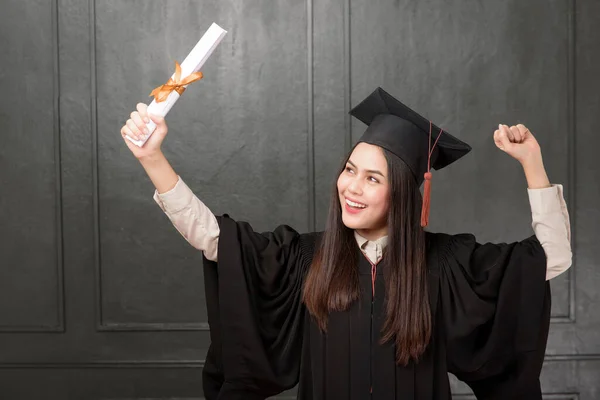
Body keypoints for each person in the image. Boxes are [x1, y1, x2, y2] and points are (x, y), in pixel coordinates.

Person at [120, 87, 572, 399]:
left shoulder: (445, 265)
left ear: (402, 193)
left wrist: (532, 162)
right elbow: (214, 238)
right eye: (350, 169)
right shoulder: (305, 259)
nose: (351, 187)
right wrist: (152, 158)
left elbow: (552, 257)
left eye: (372, 178)